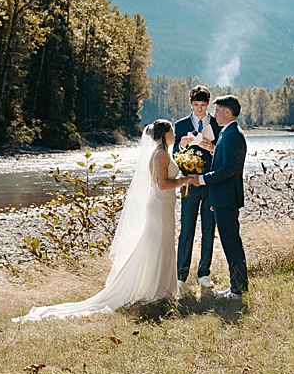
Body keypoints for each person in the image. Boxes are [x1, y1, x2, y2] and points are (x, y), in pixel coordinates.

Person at [13, 120, 191, 321]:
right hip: (159, 206)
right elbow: (163, 184)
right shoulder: (160, 154)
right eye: (172, 131)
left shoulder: (164, 153)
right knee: (157, 246)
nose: (175, 134)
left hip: (164, 207)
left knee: (163, 246)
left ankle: (163, 290)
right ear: (165, 133)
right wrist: (186, 180)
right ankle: (154, 292)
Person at [196, 95, 249, 300]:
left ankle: (238, 290)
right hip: (222, 198)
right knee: (230, 242)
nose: (214, 114)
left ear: (227, 112)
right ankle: (236, 285)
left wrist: (201, 179)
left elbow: (227, 170)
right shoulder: (228, 133)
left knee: (231, 243)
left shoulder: (233, 134)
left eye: (217, 111)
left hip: (227, 198)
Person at [173, 85, 222, 291]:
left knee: (209, 229)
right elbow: (175, 153)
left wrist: (213, 148)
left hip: (210, 183)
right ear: (191, 104)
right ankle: (180, 276)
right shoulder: (181, 124)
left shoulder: (217, 124)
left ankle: (204, 273)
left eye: (203, 105)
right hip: (189, 183)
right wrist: (183, 145)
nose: (200, 109)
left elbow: (223, 154)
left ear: (208, 104)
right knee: (186, 229)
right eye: (196, 105)